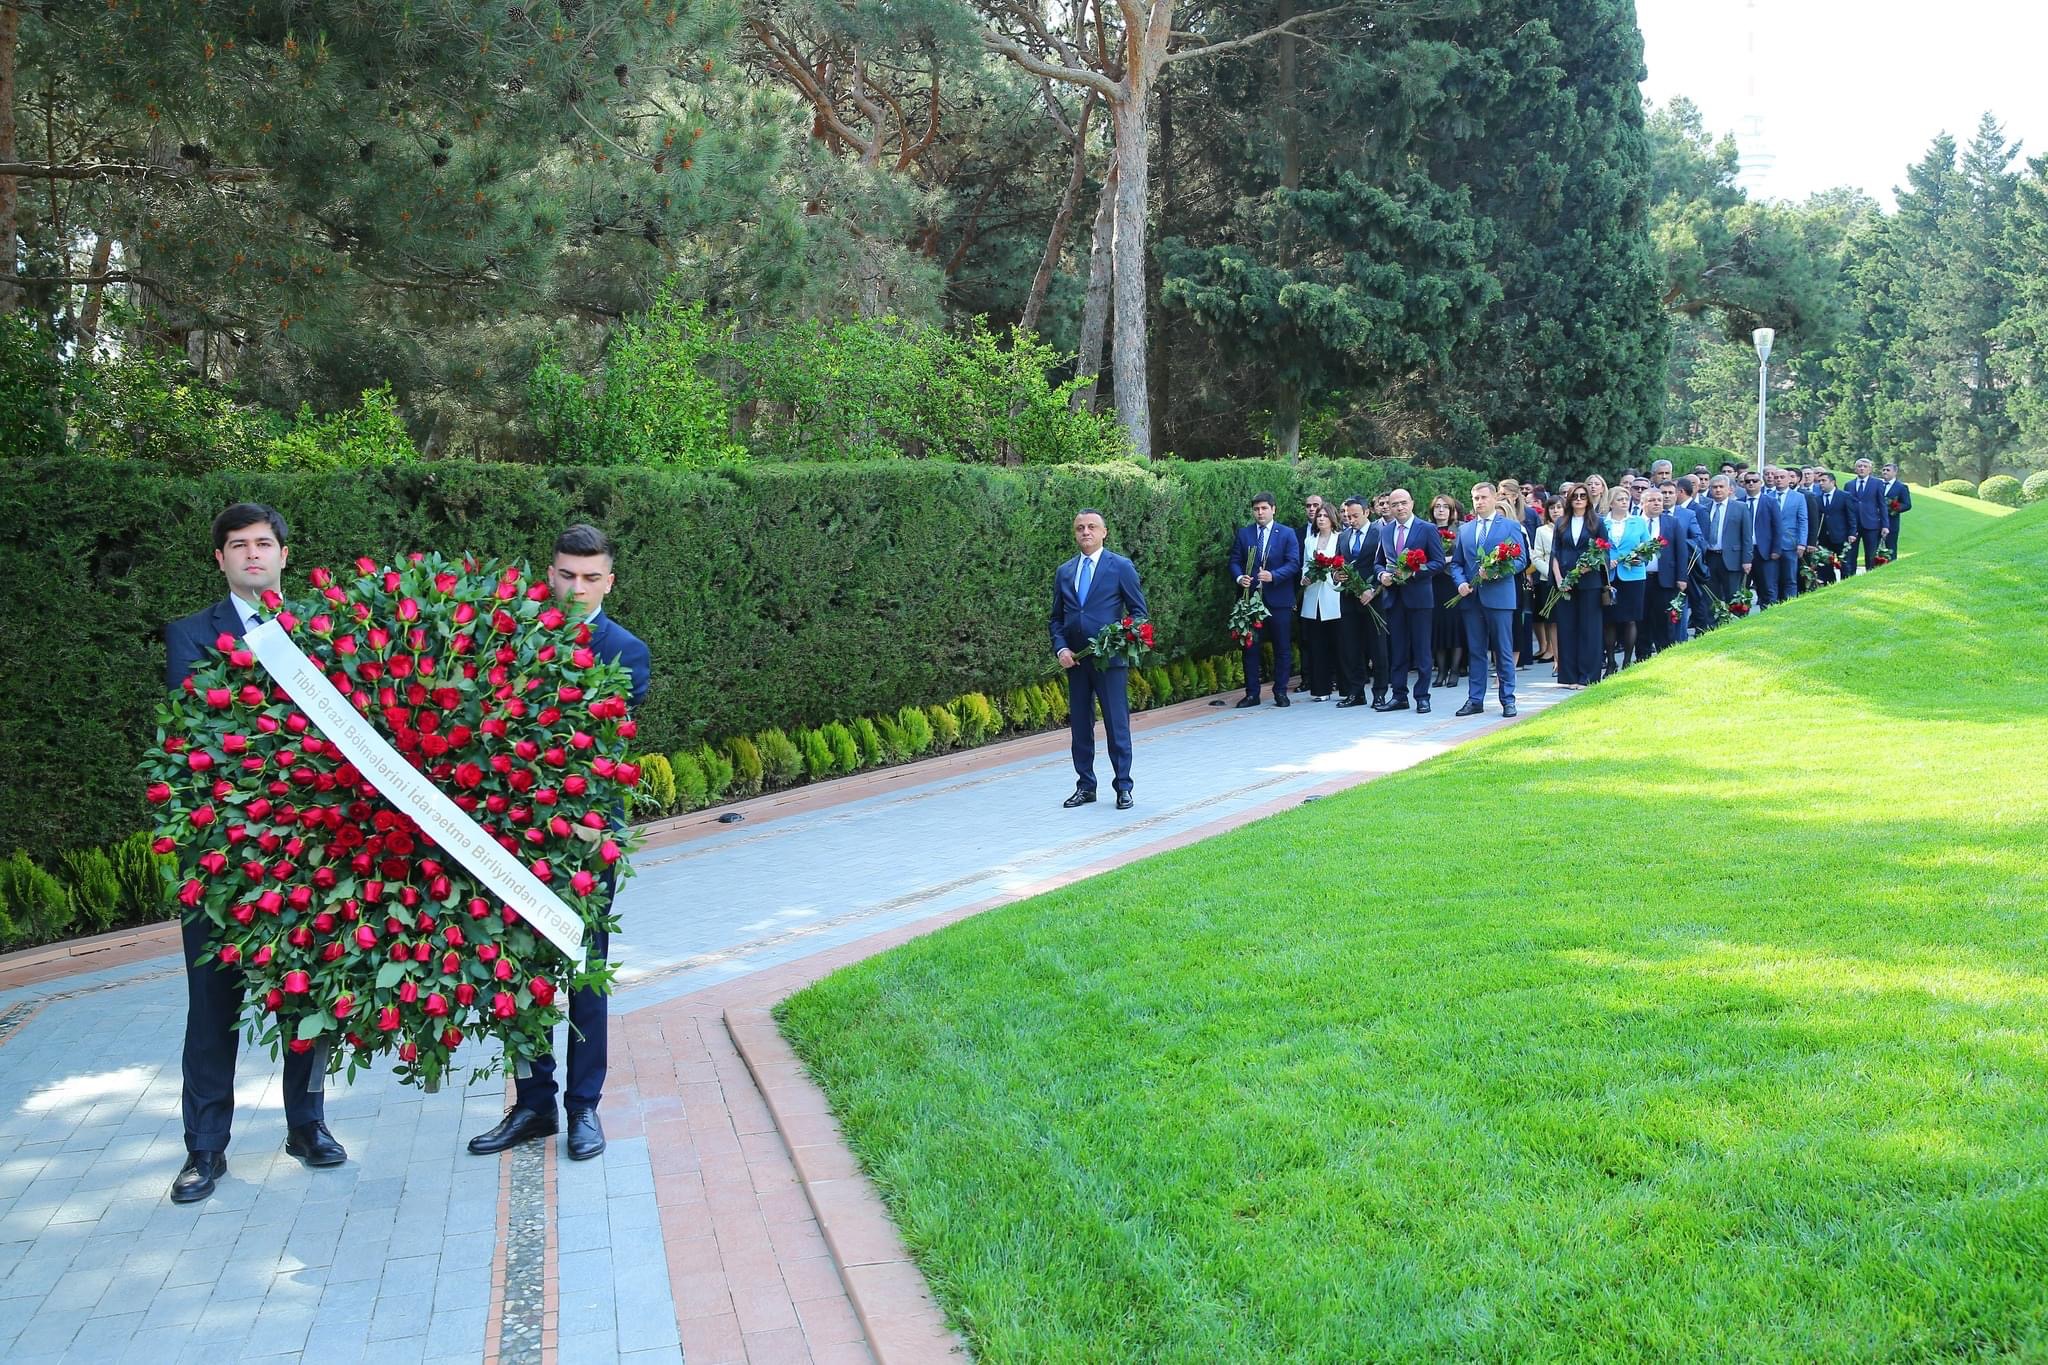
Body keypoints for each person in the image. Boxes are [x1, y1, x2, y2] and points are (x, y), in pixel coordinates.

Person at [162, 503, 346, 1205]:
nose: (252, 554)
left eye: (263, 543)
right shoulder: (190, 635)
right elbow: (206, 724)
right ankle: (204, 1148)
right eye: (237, 545)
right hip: (221, 857)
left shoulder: (322, 629)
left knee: (307, 993)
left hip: (307, 849)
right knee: (213, 1005)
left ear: (283, 555)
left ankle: (307, 1125)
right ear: (221, 559)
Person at [469, 525, 650, 1164]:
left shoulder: (625, 651)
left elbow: (600, 744)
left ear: (609, 582)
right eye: (567, 575)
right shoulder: (511, 638)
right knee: (516, 967)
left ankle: (583, 1108)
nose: (577, 588)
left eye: (591, 577)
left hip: (585, 839)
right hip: (515, 832)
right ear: (550, 575)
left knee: (584, 972)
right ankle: (533, 1103)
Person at [1043, 509, 1149, 811]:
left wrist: (1117, 638)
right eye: (1080, 528)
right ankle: (1085, 786)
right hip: (1076, 662)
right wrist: (1061, 649)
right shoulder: (1065, 571)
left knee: (1117, 724)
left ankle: (1123, 787)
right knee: (1080, 725)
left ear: (1104, 532)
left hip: (1109, 661)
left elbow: (1138, 614)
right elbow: (1056, 618)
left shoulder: (1120, 566)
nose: (1085, 532)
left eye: (1091, 527)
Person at [1449, 482, 1528, 717]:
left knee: (1503, 650)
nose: (1479, 502)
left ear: (1494, 499)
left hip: (1499, 597)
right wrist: (1460, 582)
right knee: (1476, 650)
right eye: (1475, 498)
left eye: (1483, 497)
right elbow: (1456, 563)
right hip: (1472, 599)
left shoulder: (1510, 526)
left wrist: (1496, 572)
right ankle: (1475, 699)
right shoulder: (1465, 530)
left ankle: (1508, 699)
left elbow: (1521, 560)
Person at [1373, 488, 1444, 714]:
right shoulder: (1386, 531)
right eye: (1394, 504)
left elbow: (1438, 562)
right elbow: (1378, 562)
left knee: (1422, 650)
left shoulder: (1427, 528)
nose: (1399, 508)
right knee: (1398, 650)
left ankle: (1422, 696)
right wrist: (1381, 575)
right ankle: (1399, 696)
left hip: (1419, 598)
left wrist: (1414, 572)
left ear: (1412, 503)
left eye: (1403, 503)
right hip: (1394, 599)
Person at [1230, 493, 1301, 707]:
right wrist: (1240, 577)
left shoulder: (1287, 533)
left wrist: (1274, 575)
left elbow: (1293, 563)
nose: (1260, 513)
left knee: (1282, 647)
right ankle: (1252, 694)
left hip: (1279, 599)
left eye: (1264, 508)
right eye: (1256, 509)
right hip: (1250, 600)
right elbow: (1234, 561)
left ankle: (1280, 692)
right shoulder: (1245, 533)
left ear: (1273, 509)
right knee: (1250, 647)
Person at [1549, 486, 1604, 687]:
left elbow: (1603, 550)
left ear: (1588, 499)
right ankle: (1568, 676)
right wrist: (1559, 579)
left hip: (1590, 582)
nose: (1579, 499)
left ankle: (1588, 676)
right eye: (1575, 496)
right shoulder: (1561, 522)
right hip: (1565, 582)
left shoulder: (1597, 522)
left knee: (1589, 629)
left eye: (1583, 496)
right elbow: (1555, 552)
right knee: (1567, 628)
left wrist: (1589, 567)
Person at [1334, 497, 1385, 709]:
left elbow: (1386, 565)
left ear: (1366, 512)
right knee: (1351, 647)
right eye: (1347, 516)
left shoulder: (1380, 532)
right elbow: (1337, 563)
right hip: (1348, 598)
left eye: (1355, 516)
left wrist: (1373, 589)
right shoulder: (1343, 536)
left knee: (1377, 648)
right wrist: (1336, 576)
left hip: (1373, 598)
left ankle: (1380, 692)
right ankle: (1356, 692)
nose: (1351, 520)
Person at [1298, 503, 1345, 702]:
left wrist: (1334, 575)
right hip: (1313, 596)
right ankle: (1320, 689)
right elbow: (1304, 565)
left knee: (1339, 643)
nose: (1321, 519)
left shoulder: (1340, 538)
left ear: (1332, 518)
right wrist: (1304, 578)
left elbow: (1343, 565)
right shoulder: (1310, 541)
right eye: (1319, 516)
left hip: (1333, 595)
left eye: (1325, 515)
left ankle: (1344, 688)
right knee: (1316, 644)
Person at [1601, 489, 1650, 675]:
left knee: (1630, 619)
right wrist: (1605, 561)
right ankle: (1611, 662)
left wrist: (1641, 558)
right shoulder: (1602, 522)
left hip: (1633, 575)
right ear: (1611, 503)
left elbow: (1649, 547)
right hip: (1610, 576)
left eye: (1625, 499)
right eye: (1619, 499)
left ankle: (1628, 661)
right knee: (1609, 620)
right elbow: (1596, 547)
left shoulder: (1638, 522)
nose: (1624, 502)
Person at [1636, 487, 1687, 656]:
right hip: (1640, 579)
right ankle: (1642, 657)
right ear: (1642, 503)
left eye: (1659, 500)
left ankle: (1665, 655)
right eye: (1652, 500)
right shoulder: (1635, 522)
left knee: (1664, 621)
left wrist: (1682, 578)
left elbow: (1681, 551)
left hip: (1665, 580)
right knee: (1642, 620)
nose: (1657, 503)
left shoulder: (1672, 523)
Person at [1696, 474, 1754, 619]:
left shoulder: (1740, 508)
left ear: (1729, 489)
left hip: (1732, 558)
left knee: (1733, 595)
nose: (1718, 490)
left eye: (1721, 487)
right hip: (1710, 557)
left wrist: (1747, 560)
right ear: (1710, 490)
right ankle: (1713, 625)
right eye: (1714, 487)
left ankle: (1736, 623)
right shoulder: (1704, 508)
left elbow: (1747, 536)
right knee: (1710, 596)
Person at [1426, 493, 1465, 689]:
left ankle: (1455, 670)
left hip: (1453, 582)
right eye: (1437, 506)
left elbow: (1463, 555)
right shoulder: (1427, 529)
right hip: (1434, 582)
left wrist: (1443, 560)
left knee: (1455, 626)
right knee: (1438, 626)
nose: (1441, 510)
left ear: (1451, 511)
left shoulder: (1461, 529)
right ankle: (1441, 671)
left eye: (1445, 507)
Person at [1756, 467, 1809, 607]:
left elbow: (1803, 521)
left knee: (1790, 579)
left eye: (1782, 477)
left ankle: (1790, 607)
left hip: (1790, 544)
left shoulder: (1798, 497)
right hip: (1770, 545)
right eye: (1776, 477)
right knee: (1770, 580)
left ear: (1789, 479)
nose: (1778, 480)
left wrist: (1802, 543)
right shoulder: (1766, 497)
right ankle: (1771, 607)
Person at [1529, 499, 1564, 666]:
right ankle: (1557, 660)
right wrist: (1551, 573)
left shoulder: (1571, 527)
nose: (1555, 511)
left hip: (1570, 579)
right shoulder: (1541, 530)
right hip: (1548, 581)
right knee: (1553, 621)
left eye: (1559, 507)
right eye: (1552, 508)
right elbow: (1537, 556)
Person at [1847, 458, 1889, 571]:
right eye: (1859, 466)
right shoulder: (1849, 485)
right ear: (1855, 469)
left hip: (1871, 524)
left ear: (1870, 470)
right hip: (1853, 526)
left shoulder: (1877, 483)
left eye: (1865, 467)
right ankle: (1850, 577)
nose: (1862, 469)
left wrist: (1885, 525)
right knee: (1850, 555)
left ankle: (1870, 576)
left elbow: (1882, 505)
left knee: (1871, 555)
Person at [1814, 471, 1854, 583]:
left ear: (1832, 482)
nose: (1821, 483)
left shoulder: (1844, 496)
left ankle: (1846, 585)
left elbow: (1851, 516)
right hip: (1823, 538)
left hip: (1841, 536)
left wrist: (1852, 533)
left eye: (1823, 481)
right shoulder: (1817, 499)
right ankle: (1829, 584)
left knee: (1844, 565)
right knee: (1825, 565)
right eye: (1819, 481)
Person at [1881, 463, 1913, 555]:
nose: (1885, 472)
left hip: (1891, 522)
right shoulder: (1877, 484)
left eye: (1888, 470)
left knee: (1890, 548)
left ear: (1895, 472)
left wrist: (1894, 507)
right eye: (1883, 470)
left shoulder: (1901, 487)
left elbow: (1907, 504)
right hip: (1875, 522)